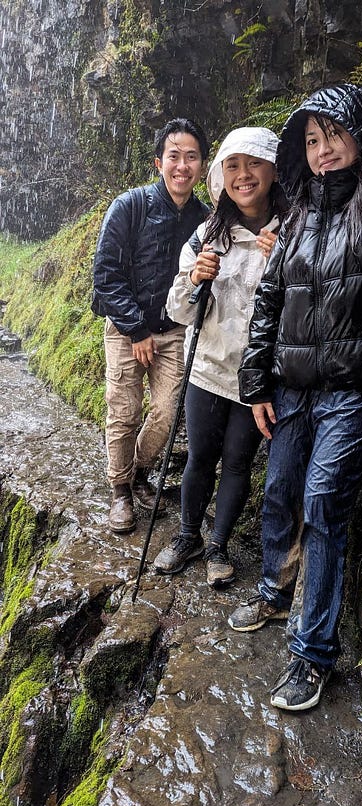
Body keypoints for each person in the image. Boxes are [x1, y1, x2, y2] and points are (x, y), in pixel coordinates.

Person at [228, 83, 362, 711]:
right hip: (293, 388)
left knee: (323, 500)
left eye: (335, 137)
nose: (323, 152)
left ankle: (312, 652)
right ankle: (273, 589)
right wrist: (256, 382)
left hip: (354, 393)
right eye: (313, 141)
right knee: (280, 488)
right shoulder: (297, 215)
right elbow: (270, 301)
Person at [154, 126, 288, 587]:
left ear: (274, 169)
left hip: (257, 379)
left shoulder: (295, 233)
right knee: (200, 456)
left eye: (253, 164)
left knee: (236, 462)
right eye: (233, 165)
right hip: (207, 368)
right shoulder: (207, 234)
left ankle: (218, 546)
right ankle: (187, 535)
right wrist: (195, 279)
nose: (243, 175)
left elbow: (312, 308)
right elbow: (178, 310)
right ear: (221, 176)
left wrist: (288, 262)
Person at [92, 118, 210, 533]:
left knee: (166, 411)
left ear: (201, 165)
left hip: (175, 329)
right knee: (124, 412)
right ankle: (120, 490)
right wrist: (136, 330)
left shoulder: (205, 218)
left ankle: (138, 470)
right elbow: (106, 274)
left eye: (191, 157)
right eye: (174, 156)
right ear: (158, 162)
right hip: (127, 329)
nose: (182, 166)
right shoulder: (130, 206)